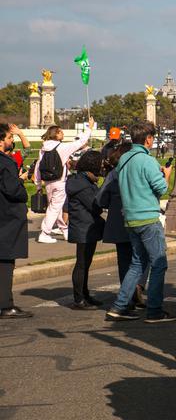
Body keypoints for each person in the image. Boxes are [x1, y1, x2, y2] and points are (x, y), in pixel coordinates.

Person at [106, 121, 174, 324]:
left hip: (130, 218)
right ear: (148, 139)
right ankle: (154, 310)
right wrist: (167, 176)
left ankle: (119, 307)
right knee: (159, 263)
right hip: (148, 218)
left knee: (137, 264)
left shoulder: (124, 159)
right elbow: (161, 189)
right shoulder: (147, 160)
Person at [97, 140, 146, 310]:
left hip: (118, 221)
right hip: (139, 218)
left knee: (124, 261)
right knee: (142, 258)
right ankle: (137, 289)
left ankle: (128, 297)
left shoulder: (113, 174)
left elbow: (100, 199)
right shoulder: (139, 169)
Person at [34, 119, 94, 243]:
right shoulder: (62, 147)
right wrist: (90, 128)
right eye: (61, 132)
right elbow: (81, 142)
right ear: (56, 134)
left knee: (56, 207)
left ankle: (65, 230)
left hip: (48, 182)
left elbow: (38, 167)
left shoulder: (43, 148)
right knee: (55, 208)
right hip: (60, 181)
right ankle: (44, 233)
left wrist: (38, 184)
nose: (63, 133)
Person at [64, 151, 106, 310]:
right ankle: (79, 299)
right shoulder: (82, 184)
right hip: (83, 227)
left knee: (86, 263)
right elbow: (96, 206)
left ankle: (85, 294)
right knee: (82, 263)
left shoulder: (83, 180)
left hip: (86, 226)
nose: (102, 166)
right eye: (100, 163)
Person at [0, 123, 32, 319]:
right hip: (7, 216)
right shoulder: (5, 162)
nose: (12, 141)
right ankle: (5, 305)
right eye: (10, 138)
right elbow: (13, 190)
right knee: (5, 261)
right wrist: (21, 181)